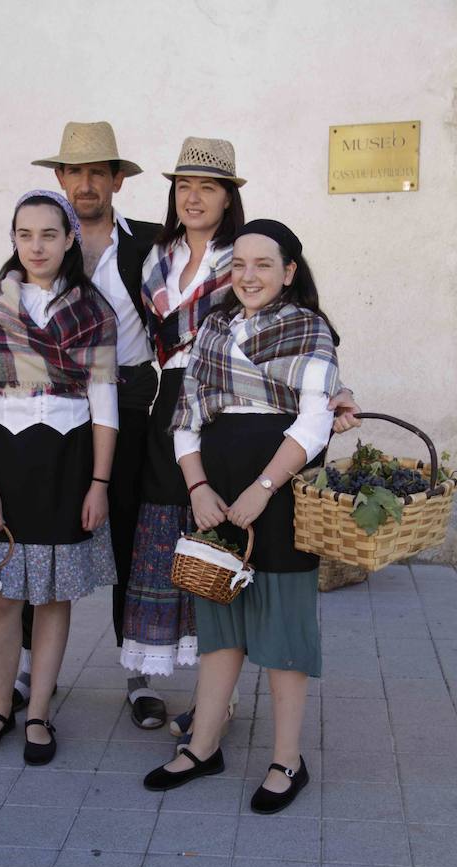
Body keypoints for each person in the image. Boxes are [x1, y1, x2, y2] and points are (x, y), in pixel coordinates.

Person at [143, 219, 340, 814]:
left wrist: (264, 487)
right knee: (217, 623)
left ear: (289, 272)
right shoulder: (211, 328)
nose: (248, 276)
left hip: (277, 491)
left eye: (263, 265)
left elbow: (314, 421)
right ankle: (204, 746)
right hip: (216, 490)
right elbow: (186, 419)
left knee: (282, 629)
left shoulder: (310, 330)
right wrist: (198, 486)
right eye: (240, 264)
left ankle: (288, 759)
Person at [0, 122, 163, 727]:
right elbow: (5, 325)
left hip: (130, 402)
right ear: (60, 179)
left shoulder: (152, 245)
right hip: (61, 414)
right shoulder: (38, 248)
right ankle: (28, 668)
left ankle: (136, 669)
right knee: (33, 536)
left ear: (117, 181)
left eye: (97, 172)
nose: (85, 183)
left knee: (124, 535)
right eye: (74, 172)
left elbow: (210, 293)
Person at [0, 190, 118, 765]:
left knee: (52, 596)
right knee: (5, 595)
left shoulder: (92, 312)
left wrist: (99, 483)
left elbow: (104, 405)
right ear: (14, 241)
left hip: (69, 462)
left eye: (49, 234)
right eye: (25, 235)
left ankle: (41, 711)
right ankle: (0, 705)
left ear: (70, 238)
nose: (37, 246)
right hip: (9, 461)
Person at [119, 137, 247, 704]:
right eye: (184, 186)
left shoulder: (243, 254)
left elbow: (298, 316)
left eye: (208, 187)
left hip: (223, 402)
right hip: (169, 399)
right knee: (167, 531)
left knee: (215, 536)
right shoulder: (156, 256)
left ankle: (216, 697)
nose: (193, 197)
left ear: (227, 198)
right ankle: (159, 674)